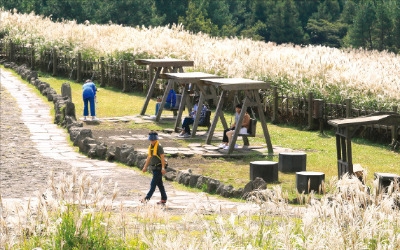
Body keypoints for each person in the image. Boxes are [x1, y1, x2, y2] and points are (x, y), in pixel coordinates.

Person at [141, 131, 167, 204]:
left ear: (156, 139)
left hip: (158, 169)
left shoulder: (159, 147)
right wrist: (145, 167)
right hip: (154, 168)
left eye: (153, 140)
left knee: (153, 185)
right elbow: (149, 157)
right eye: (151, 140)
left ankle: (146, 199)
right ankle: (164, 198)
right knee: (160, 185)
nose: (152, 141)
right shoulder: (151, 147)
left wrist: (163, 168)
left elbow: (162, 158)